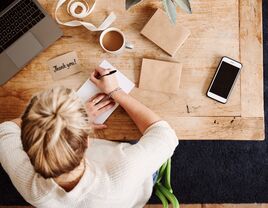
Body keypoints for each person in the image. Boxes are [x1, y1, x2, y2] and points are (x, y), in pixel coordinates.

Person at [0, 67, 179, 208]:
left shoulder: (30, 186)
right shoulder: (123, 171)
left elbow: (5, 130)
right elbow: (166, 135)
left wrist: (67, 122)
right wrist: (116, 91)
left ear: (27, 148)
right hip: (131, 192)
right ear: (87, 140)